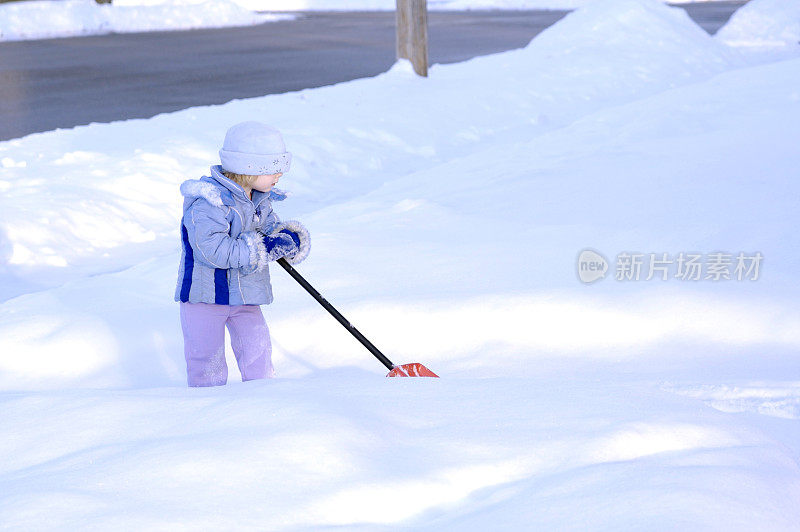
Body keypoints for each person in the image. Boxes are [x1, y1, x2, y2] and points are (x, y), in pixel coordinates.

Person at [174, 121, 310, 387]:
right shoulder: (209, 201)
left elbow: (268, 229)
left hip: (245, 296)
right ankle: (208, 411)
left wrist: (286, 238)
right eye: (273, 169)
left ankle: (264, 402)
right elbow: (212, 250)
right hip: (205, 299)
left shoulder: (259, 198)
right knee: (207, 365)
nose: (279, 176)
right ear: (249, 168)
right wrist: (260, 248)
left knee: (258, 357)